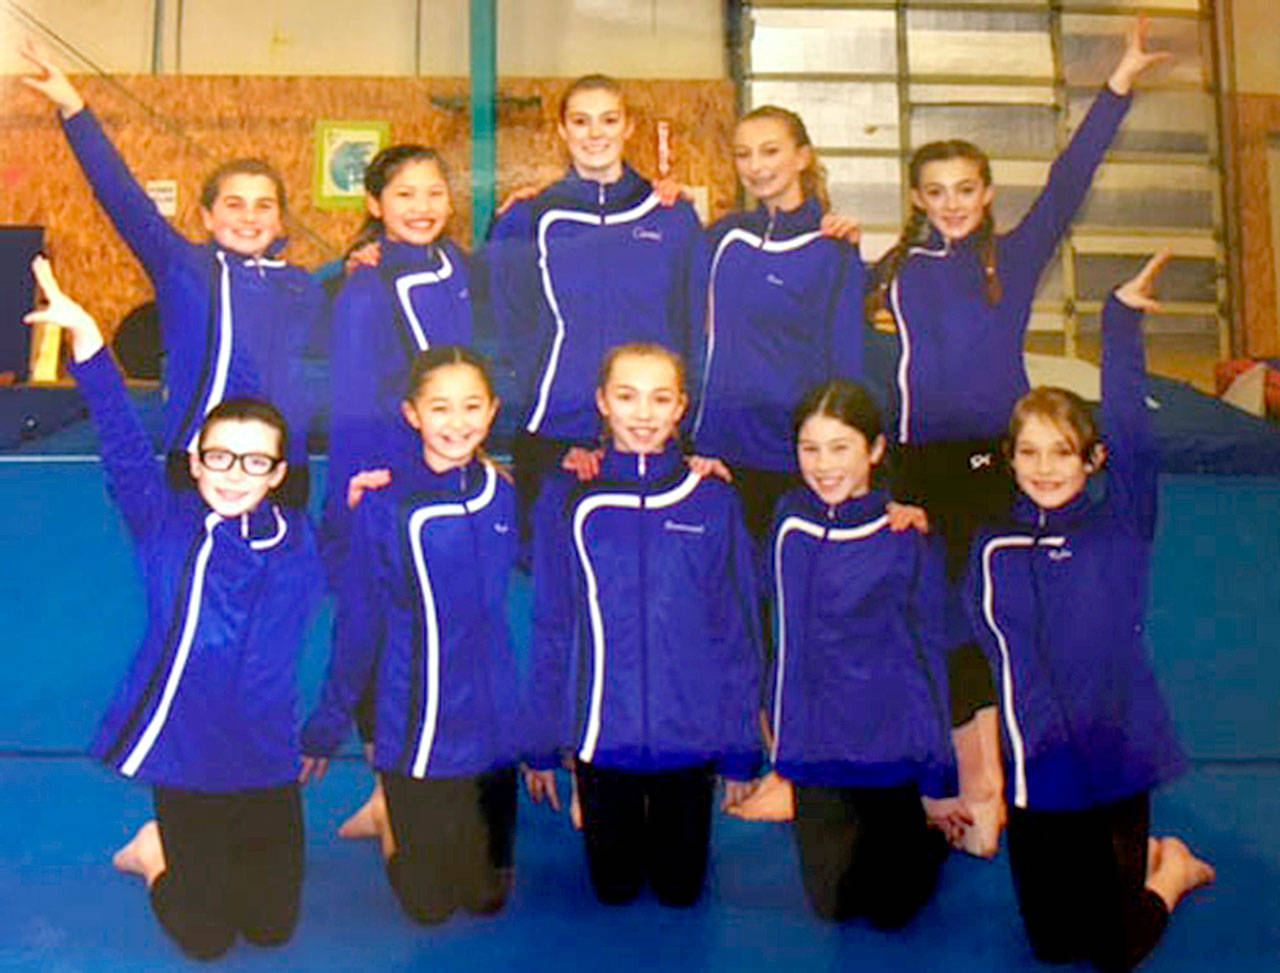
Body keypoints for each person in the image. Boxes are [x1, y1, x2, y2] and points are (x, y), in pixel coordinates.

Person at [865, 18, 1172, 853]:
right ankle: (978, 784)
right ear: (919, 199)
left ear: (987, 191)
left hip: (999, 468)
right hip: (921, 472)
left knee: (1012, 616)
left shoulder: (1016, 251)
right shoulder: (894, 272)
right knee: (939, 620)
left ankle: (1023, 772)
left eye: (967, 187)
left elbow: (1071, 182)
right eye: (937, 190)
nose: (953, 202)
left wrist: (1117, 87)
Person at [25, 257, 320, 960]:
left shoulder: (298, 540)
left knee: (274, 926)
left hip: (265, 759)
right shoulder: (164, 520)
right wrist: (91, 347)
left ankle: (208, 854)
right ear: (194, 461)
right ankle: (154, 851)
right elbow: (125, 446)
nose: (234, 474)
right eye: (220, 457)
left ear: (280, 474)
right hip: (184, 754)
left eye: (255, 462)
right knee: (207, 938)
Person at [964, 252, 1214, 969]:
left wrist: (1121, 323)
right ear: (1009, 459)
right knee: (1048, 944)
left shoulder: (1120, 527)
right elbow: (975, 660)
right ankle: (1142, 872)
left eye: (1063, 452)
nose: (1046, 467)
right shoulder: (992, 548)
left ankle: (1173, 870)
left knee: (1112, 948)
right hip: (1039, 774)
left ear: (1091, 460)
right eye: (1030, 452)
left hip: (1116, 760)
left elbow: (1134, 432)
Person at [20, 39, 324, 504]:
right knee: (190, 574)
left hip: (281, 468)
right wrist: (74, 109)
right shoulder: (181, 267)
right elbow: (120, 194)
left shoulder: (304, 287)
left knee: (280, 574)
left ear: (281, 218)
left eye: (263, 206)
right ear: (207, 216)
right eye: (234, 204)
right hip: (200, 462)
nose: (249, 217)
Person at [525, 343, 761, 907]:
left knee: (681, 892)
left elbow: (736, 632)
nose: (644, 413)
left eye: (661, 398)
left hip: (691, 738)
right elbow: (551, 626)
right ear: (602, 402)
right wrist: (540, 744)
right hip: (602, 739)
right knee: (615, 890)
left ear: (682, 406)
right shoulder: (568, 497)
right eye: (627, 396)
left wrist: (740, 749)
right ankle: (595, 804)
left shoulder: (713, 500)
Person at [301, 346, 520, 925]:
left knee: (487, 898)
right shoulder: (385, 506)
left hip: (493, 726)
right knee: (427, 906)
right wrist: (327, 725)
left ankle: (440, 828)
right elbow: (357, 628)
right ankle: (389, 813)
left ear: (493, 410)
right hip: (417, 724)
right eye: (440, 407)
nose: (458, 422)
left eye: (472, 406)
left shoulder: (503, 491)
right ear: (412, 414)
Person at [766, 378, 968, 926]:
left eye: (841, 448)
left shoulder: (907, 536)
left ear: (876, 450)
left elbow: (929, 662)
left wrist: (940, 781)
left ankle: (931, 837)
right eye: (811, 449)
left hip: (886, 749)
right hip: (813, 750)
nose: (824, 465)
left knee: (891, 912)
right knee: (832, 908)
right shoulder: (788, 521)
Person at [322, 145, 477, 840]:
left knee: (436, 633)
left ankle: (426, 774)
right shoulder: (366, 286)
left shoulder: (457, 266)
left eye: (434, 192)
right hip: (385, 482)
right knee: (381, 635)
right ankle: (388, 790)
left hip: (450, 477)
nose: (422, 207)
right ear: (375, 206)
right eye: (405, 195)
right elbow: (354, 403)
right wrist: (354, 507)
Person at [486, 74, 706, 547]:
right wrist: (551, 408)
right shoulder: (527, 218)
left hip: (652, 428)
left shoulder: (673, 216)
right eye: (581, 122)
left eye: (608, 120)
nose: (595, 133)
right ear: (563, 132)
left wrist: (677, 422)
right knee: (552, 577)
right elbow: (510, 326)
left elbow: (691, 325)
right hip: (556, 429)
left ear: (628, 127)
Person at [690, 105, 865, 541]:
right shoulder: (724, 237)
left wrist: (839, 452)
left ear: (803, 157)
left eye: (770, 151)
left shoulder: (833, 248)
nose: (756, 166)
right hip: (718, 453)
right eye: (743, 154)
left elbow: (847, 362)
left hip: (795, 456)